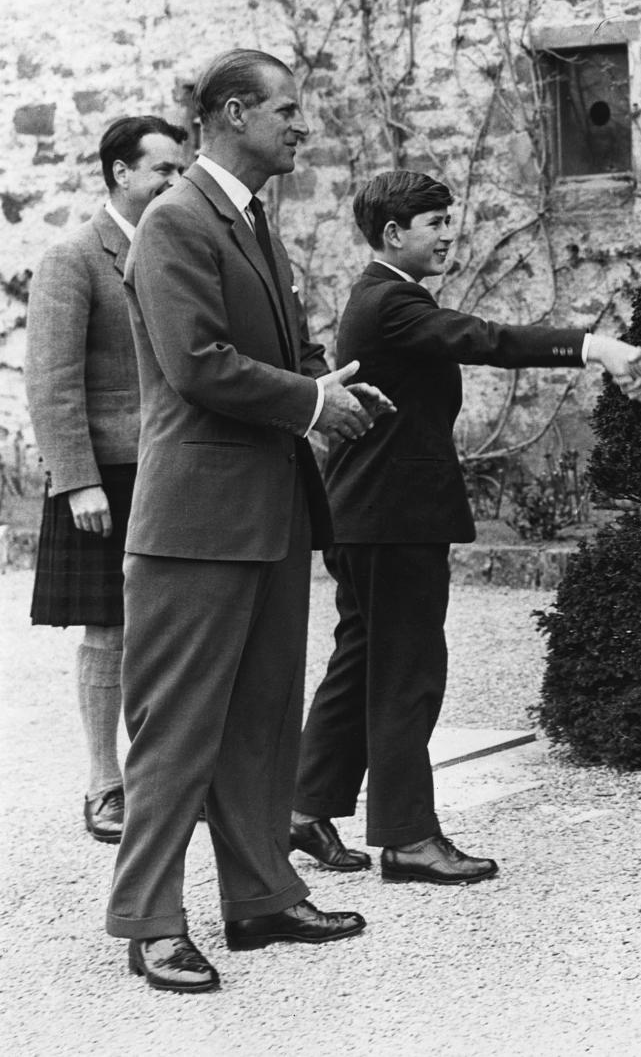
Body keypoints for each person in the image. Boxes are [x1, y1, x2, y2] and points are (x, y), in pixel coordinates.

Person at [106, 49, 394, 994]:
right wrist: (312, 405)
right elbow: (197, 363)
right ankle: (150, 921)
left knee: (265, 720)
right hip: (196, 522)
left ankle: (263, 898)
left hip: (266, 514)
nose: (300, 127)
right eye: (286, 111)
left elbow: (279, 348)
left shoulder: (250, 221)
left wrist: (334, 383)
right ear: (232, 114)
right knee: (178, 727)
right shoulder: (176, 222)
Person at [291, 169, 641, 885]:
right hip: (391, 518)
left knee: (365, 657)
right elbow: (487, 339)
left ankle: (304, 807)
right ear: (393, 233)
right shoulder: (391, 302)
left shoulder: (383, 298)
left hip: (369, 514)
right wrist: (595, 347)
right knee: (408, 672)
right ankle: (406, 838)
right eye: (434, 224)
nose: (448, 236)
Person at [25, 115, 187, 844]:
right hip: (106, 476)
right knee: (108, 628)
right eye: (162, 170)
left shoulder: (173, 248)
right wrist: (77, 480)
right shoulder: (74, 256)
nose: (174, 182)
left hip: (172, 463)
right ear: (122, 173)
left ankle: (169, 776)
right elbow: (51, 381)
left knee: (175, 625)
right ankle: (104, 782)